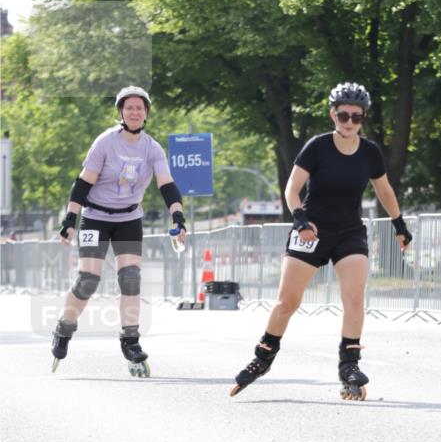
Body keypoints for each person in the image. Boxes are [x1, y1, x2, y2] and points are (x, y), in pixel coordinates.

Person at [231, 82, 412, 400]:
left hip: (349, 232)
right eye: (343, 115)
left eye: (356, 117)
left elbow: (384, 190)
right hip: (310, 230)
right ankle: (263, 358)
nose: (349, 122)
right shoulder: (317, 146)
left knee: (354, 298)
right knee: (288, 302)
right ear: (333, 114)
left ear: (363, 118)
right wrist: (299, 218)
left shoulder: (370, 152)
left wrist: (399, 223)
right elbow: (292, 188)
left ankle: (349, 365)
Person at [51, 86, 187, 376]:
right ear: (121, 113)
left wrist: (178, 217)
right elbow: (83, 183)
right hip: (96, 217)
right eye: (130, 108)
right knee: (88, 280)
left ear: (146, 113)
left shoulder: (152, 148)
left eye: (140, 108)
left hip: (128, 217)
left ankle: (131, 340)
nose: (135, 112)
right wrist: (69, 220)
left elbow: (166, 184)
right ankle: (64, 327)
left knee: (131, 277)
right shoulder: (105, 143)